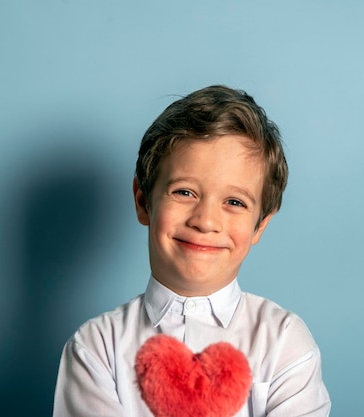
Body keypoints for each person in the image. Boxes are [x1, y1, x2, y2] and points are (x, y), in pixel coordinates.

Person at [52, 85, 331, 416]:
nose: (206, 220)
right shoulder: (96, 347)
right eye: (184, 192)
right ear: (143, 201)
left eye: (234, 202)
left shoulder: (284, 341)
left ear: (260, 225)